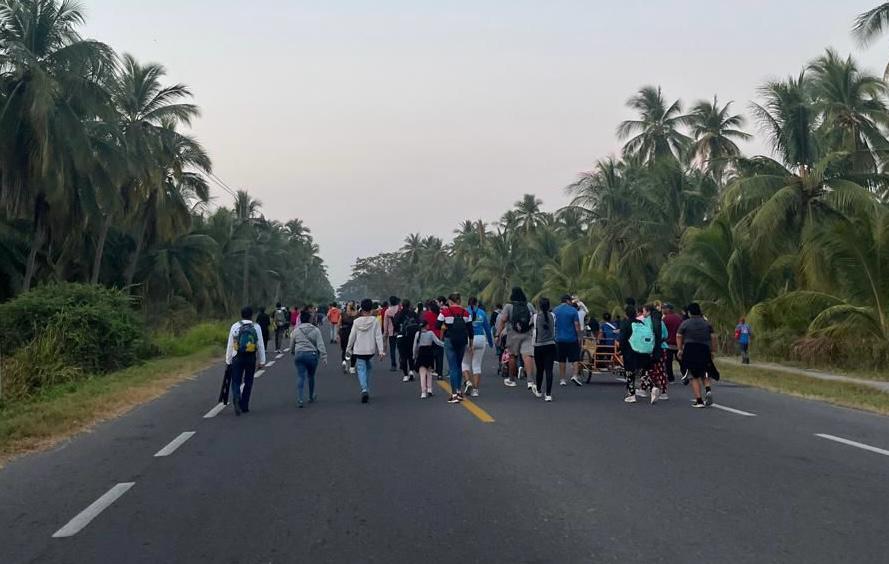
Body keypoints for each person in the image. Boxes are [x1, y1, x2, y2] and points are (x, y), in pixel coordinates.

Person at [225, 306, 267, 416]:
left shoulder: (235, 326)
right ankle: (244, 405)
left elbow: (230, 344)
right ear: (251, 315)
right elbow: (260, 344)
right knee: (248, 381)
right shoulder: (256, 327)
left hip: (237, 357)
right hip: (250, 357)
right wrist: (262, 360)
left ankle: (236, 397)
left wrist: (228, 360)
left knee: (236, 381)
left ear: (241, 314)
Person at [677, 302, 717, 408]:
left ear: (689, 312)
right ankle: (708, 390)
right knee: (705, 371)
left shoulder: (686, 323)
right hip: (704, 349)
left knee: (693, 375)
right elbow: (713, 337)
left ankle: (699, 400)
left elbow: (679, 335)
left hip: (690, 349)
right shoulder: (706, 323)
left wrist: (680, 349)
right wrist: (713, 350)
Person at [346, 298, 386, 403]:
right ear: (371, 309)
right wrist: (381, 351)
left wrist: (348, 348)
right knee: (368, 369)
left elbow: (352, 336)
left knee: (361, 370)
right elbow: (378, 337)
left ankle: (364, 389)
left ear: (361, 309)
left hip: (359, 350)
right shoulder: (375, 321)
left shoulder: (356, 321)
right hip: (370, 350)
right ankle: (366, 388)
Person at [496, 287, 536, 389]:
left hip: (513, 334)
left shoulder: (509, 306)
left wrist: (498, 334)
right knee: (527, 356)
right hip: (527, 334)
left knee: (513, 356)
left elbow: (503, 319)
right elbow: (535, 317)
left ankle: (511, 379)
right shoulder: (529, 305)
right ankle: (530, 381)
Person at [439, 293, 472, 403]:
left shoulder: (445, 312)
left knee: (453, 367)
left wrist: (446, 326)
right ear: (459, 301)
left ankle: (453, 395)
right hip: (462, 341)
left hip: (450, 340)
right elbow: (470, 330)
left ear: (450, 301)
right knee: (458, 366)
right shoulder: (466, 313)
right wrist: (470, 344)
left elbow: (437, 325)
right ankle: (458, 391)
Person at [291, 310, 327, 408]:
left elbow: (292, 344)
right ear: (310, 319)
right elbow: (320, 345)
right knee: (311, 376)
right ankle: (311, 396)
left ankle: (300, 399)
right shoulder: (315, 330)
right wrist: (324, 356)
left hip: (299, 355)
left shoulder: (296, 330)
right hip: (311, 355)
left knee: (300, 376)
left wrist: (292, 352)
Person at [620, 304, 653, 404]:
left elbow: (622, 339)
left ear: (626, 314)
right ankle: (653, 387)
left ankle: (631, 394)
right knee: (642, 372)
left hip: (630, 351)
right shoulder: (641, 323)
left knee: (630, 372)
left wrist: (621, 350)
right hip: (642, 351)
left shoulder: (625, 324)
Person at [462, 297, 494, 397]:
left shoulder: (464, 312)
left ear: (468, 304)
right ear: (477, 303)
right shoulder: (482, 313)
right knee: (476, 365)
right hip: (480, 339)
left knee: (465, 363)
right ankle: (475, 390)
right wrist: (490, 342)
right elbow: (487, 329)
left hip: (467, 339)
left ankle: (468, 382)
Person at [640, 304, 670, 403]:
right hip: (662, 348)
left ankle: (646, 389)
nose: (643, 313)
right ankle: (664, 392)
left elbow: (645, 336)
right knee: (661, 370)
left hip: (650, 349)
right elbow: (666, 335)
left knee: (647, 370)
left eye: (644, 311)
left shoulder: (646, 321)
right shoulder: (660, 321)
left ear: (648, 312)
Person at [553, 294, 584, 387]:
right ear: (567, 301)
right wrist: (579, 337)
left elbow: (554, 324)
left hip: (559, 339)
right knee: (575, 358)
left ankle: (562, 379)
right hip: (572, 338)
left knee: (562, 359)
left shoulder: (555, 310)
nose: (571, 302)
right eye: (570, 301)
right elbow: (576, 325)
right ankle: (574, 375)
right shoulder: (573, 310)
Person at [531, 297, 557, 402]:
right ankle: (548, 394)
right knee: (549, 370)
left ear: (539, 306)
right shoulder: (553, 316)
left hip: (539, 345)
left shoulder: (535, 316)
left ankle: (538, 390)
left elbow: (530, 326)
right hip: (551, 345)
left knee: (540, 370)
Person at [413, 319, 445, 398]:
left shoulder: (417, 334)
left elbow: (415, 346)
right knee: (429, 372)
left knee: (422, 374)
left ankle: (423, 392)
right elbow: (437, 342)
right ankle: (430, 389)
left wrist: (414, 355)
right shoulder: (430, 333)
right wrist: (446, 345)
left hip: (421, 353)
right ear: (426, 326)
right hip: (429, 353)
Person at [396, 300, 420, 382]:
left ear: (402, 305)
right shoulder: (413, 314)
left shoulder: (399, 314)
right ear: (409, 305)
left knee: (403, 356)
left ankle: (405, 375)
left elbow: (395, 324)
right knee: (411, 355)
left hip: (401, 337)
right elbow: (418, 323)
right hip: (412, 337)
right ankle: (411, 371)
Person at [422, 301, 444, 378]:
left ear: (430, 308)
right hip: (438, 337)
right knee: (439, 357)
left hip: (428, 338)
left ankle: (427, 373)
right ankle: (440, 374)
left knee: (428, 356)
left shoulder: (426, 315)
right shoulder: (440, 315)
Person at [662, 303, 683, 382]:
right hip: (678, 344)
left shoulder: (665, 319)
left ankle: (671, 378)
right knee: (681, 361)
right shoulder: (679, 318)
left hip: (668, 344)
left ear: (668, 309)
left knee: (668, 362)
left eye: (664, 308)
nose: (663, 310)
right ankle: (685, 376)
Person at [339, 302, 358, 373]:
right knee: (352, 350)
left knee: (346, 350)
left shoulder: (343, 314)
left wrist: (338, 334)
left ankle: (345, 363)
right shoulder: (356, 315)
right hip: (351, 334)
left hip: (344, 333)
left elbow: (339, 323)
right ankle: (351, 367)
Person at [384, 296, 402, 372]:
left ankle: (393, 365)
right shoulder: (400, 309)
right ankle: (402, 363)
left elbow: (386, 323)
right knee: (401, 349)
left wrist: (385, 333)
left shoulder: (388, 311)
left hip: (391, 332)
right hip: (400, 332)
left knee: (392, 349)